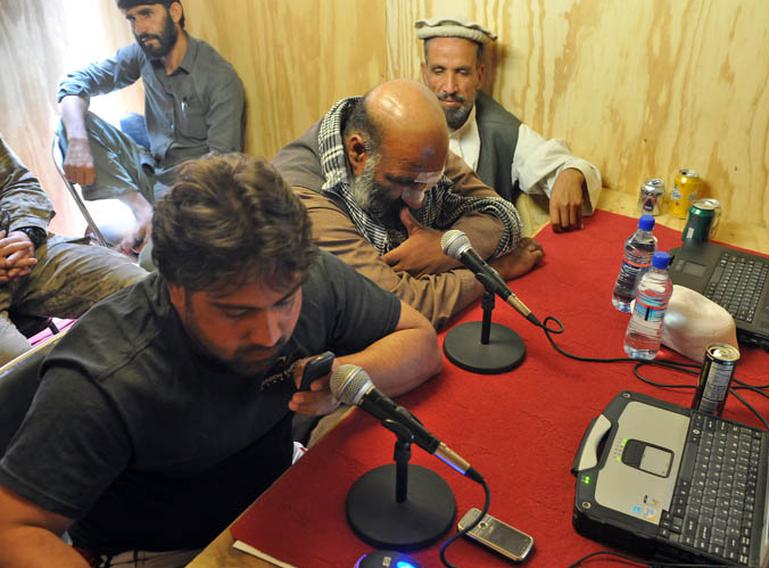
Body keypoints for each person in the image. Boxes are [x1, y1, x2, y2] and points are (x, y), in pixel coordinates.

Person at [0, 153, 441, 566]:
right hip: (160, 551)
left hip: (271, 496)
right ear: (175, 288)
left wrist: (346, 377)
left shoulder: (304, 274)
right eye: (237, 313)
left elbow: (419, 340)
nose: (271, 334)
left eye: (285, 303)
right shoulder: (103, 377)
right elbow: (13, 528)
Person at [273, 79, 544, 330]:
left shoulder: (411, 148)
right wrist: (492, 272)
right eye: (405, 182)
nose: (419, 199)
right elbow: (398, 306)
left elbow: (500, 213)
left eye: (428, 183)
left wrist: (444, 248)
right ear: (358, 152)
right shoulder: (299, 199)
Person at [57, 0, 244, 256]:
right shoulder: (142, 54)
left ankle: (150, 227)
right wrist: (78, 141)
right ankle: (143, 212)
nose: (140, 28)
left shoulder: (219, 77)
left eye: (147, 14)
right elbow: (74, 84)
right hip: (151, 171)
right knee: (73, 122)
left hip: (192, 191)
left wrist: (169, 211)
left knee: (152, 261)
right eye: (132, 19)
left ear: (175, 12)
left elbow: (224, 164)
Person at [416, 17, 603, 233]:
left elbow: (556, 163)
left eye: (462, 72)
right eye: (439, 71)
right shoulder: (396, 119)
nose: (449, 87)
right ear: (424, 73)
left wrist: (572, 172)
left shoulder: (504, 130)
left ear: (480, 75)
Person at [0, 134, 147, 365]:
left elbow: (16, 183)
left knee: (143, 291)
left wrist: (24, 232)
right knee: (19, 375)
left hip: (22, 252)